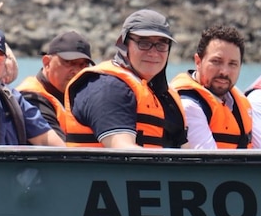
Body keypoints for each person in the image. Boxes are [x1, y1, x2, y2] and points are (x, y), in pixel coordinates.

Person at [65, 9, 187, 148]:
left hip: (154, 169)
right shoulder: (107, 86)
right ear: (123, 44)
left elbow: (187, 153)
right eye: (144, 43)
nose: (153, 53)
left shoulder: (167, 96)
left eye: (161, 44)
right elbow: (123, 150)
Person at [170, 25, 252, 149]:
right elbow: (209, 164)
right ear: (198, 61)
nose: (224, 71)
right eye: (216, 61)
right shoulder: (188, 105)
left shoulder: (239, 101)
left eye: (232, 64)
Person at [16, 30, 94, 140]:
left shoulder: (83, 95)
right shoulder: (30, 99)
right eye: (69, 63)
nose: (76, 71)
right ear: (47, 62)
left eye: (83, 65)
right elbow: (56, 151)